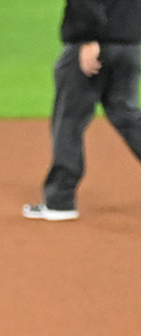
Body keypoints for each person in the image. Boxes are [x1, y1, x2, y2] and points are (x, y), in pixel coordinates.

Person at [24, 0, 141, 220]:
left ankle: (61, 199)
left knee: (68, 119)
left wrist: (87, 39)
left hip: (95, 45)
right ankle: (60, 196)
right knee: (127, 115)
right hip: (129, 45)